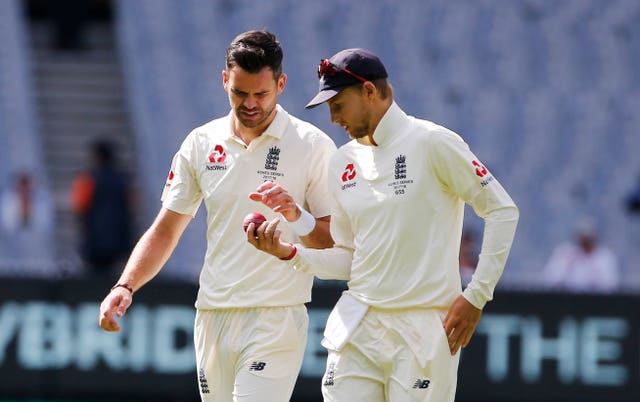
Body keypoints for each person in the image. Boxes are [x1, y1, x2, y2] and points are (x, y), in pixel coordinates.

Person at [247, 48, 519, 402]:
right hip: (358, 327)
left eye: (338, 104)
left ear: (369, 92)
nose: (333, 119)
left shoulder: (433, 142)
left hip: (422, 330)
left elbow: (502, 210)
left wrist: (477, 295)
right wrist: (288, 253)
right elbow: (349, 259)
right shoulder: (343, 161)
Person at [98, 30, 336, 402]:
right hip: (211, 315)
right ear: (224, 79)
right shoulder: (200, 142)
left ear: (282, 84)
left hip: (275, 316)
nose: (251, 104)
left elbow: (331, 240)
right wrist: (125, 286)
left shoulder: (313, 146)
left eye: (261, 93)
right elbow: (165, 230)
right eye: (240, 93)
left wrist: (295, 215)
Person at [70, 140, 133, 276]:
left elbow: (80, 208)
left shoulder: (88, 180)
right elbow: (130, 207)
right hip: (118, 240)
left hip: (94, 241)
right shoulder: (123, 180)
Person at [542, 220, 619, 293]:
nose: (586, 242)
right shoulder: (565, 253)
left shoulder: (605, 257)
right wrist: (566, 267)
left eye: (589, 239)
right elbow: (551, 280)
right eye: (583, 239)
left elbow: (610, 285)